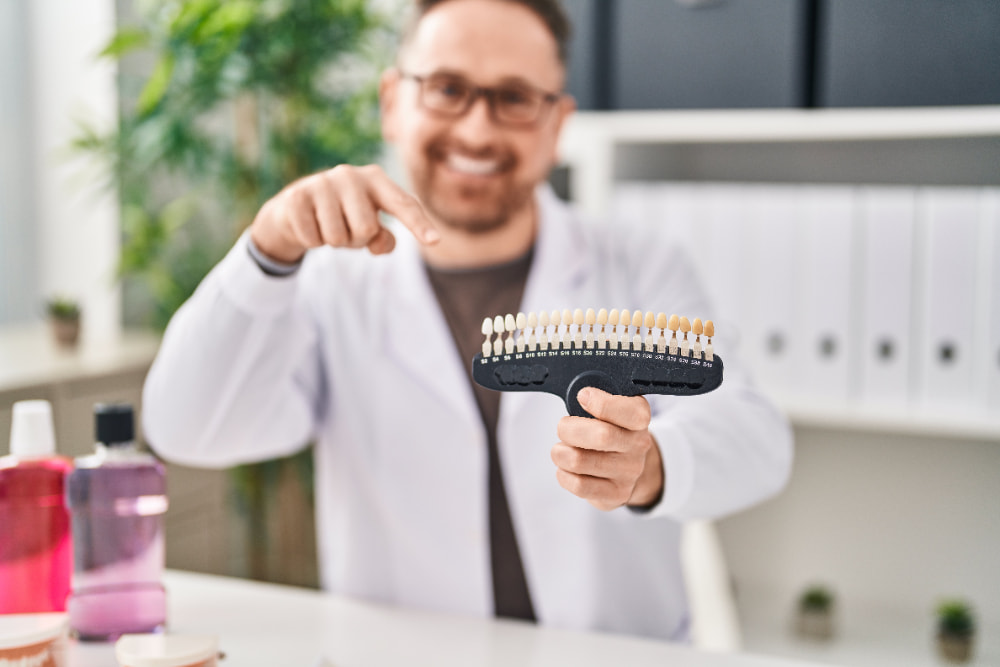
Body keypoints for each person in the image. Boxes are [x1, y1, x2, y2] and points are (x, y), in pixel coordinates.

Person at [142, 0, 792, 641]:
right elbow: (187, 427)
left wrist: (651, 466)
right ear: (393, 101)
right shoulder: (328, 285)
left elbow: (758, 437)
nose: (478, 131)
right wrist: (267, 251)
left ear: (557, 122)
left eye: (514, 97)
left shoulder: (640, 263)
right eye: (448, 88)